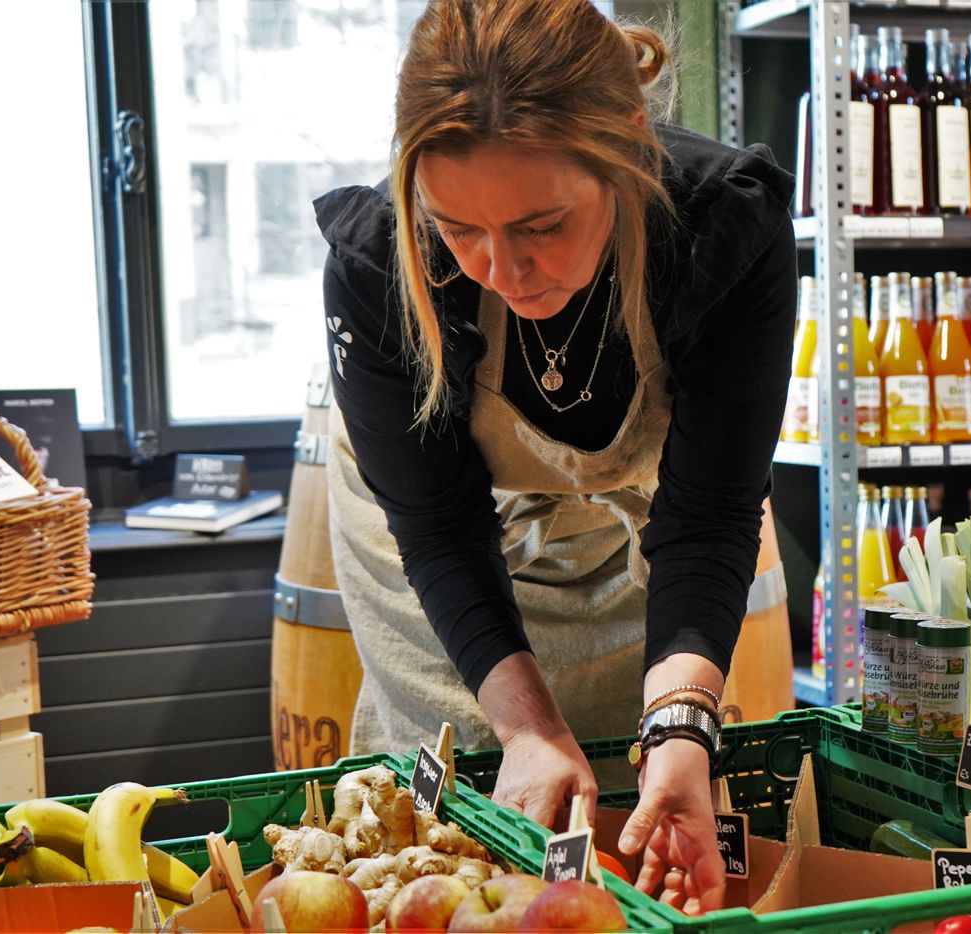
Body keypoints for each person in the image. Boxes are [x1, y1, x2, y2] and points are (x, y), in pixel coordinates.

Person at [312, 0, 794, 914]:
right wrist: (527, 730)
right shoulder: (376, 263)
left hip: (643, 513)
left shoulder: (723, 231)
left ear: (628, 147)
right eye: (460, 231)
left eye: (542, 226)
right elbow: (439, 526)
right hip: (433, 534)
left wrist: (681, 733)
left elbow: (711, 514)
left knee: (632, 781)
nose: (505, 268)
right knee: (484, 790)